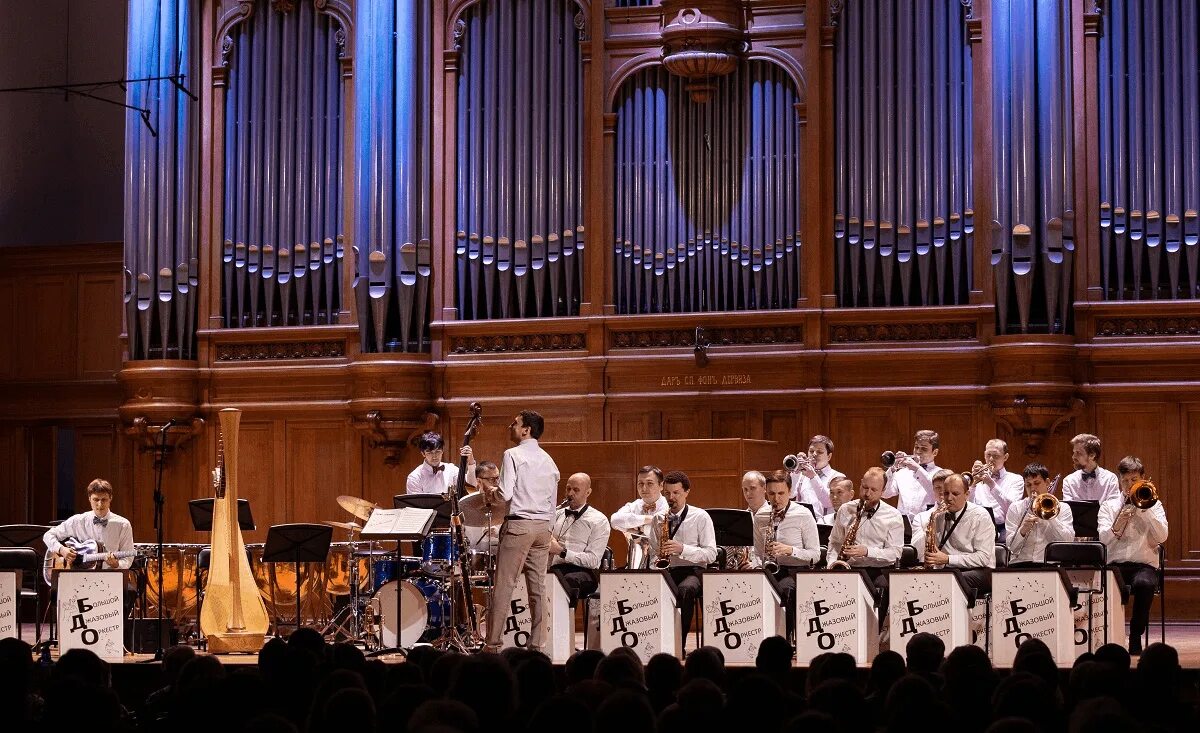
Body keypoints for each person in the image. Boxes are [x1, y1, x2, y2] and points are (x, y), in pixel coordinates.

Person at [483, 411, 559, 654]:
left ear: (526, 430)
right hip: (542, 528)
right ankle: (536, 646)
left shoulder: (512, 454)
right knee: (538, 587)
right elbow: (552, 504)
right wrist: (547, 529)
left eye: (514, 424)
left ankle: (493, 645)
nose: (511, 427)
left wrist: (489, 492)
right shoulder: (549, 460)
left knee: (504, 585)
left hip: (519, 525)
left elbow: (505, 494)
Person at [1098, 456, 1168, 655]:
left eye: (1134, 479)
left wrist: (1145, 511)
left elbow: (1162, 537)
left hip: (1143, 565)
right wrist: (1118, 522)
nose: (1129, 485)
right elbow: (1102, 541)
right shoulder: (1109, 506)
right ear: (1120, 481)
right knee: (1104, 586)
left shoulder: (1154, 505)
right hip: (1115, 566)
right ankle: (1108, 636)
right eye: (1125, 480)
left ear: (1143, 479)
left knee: (1145, 584)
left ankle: (1136, 634)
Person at [43, 478, 136, 613]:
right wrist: (62, 549)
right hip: (79, 576)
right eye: (95, 499)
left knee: (130, 593)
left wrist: (116, 565)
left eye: (104, 499)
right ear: (89, 499)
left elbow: (128, 558)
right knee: (61, 592)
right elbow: (48, 535)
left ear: (111, 498)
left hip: (109, 576)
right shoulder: (78, 521)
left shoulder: (123, 524)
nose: (99, 504)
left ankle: (118, 632)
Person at [646, 470, 717, 647]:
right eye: (668, 493)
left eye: (676, 493)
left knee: (685, 590)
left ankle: (679, 643)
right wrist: (656, 566)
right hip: (668, 570)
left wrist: (682, 549)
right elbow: (654, 552)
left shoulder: (700, 517)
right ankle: (655, 643)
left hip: (695, 570)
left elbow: (711, 554)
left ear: (686, 492)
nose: (671, 497)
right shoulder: (658, 518)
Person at [827, 467, 904, 614]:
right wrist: (832, 565)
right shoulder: (845, 509)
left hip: (877, 571)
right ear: (860, 483)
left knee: (885, 587)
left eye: (874, 490)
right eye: (865, 487)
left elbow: (895, 553)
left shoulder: (893, 515)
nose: (867, 494)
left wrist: (867, 551)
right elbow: (835, 542)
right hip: (849, 569)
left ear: (883, 490)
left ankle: (874, 630)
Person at [753, 470, 820, 636]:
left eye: (781, 493)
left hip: (797, 571)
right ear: (765, 493)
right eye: (772, 494)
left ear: (790, 492)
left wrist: (790, 550)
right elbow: (758, 551)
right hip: (770, 570)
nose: (776, 499)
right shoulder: (761, 515)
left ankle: (783, 640)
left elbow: (815, 554)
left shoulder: (803, 515)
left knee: (785, 590)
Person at [911, 473, 995, 595]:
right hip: (950, 570)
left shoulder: (981, 516)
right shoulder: (937, 515)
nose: (949, 498)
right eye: (946, 493)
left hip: (981, 571)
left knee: (947, 581)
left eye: (955, 494)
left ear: (967, 494)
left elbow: (982, 558)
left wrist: (947, 559)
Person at [548, 472, 610, 600]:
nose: (570, 493)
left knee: (566, 581)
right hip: (555, 569)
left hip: (584, 572)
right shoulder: (556, 515)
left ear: (588, 492)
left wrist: (562, 552)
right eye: (568, 488)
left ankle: (563, 619)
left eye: (576, 490)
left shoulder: (599, 520)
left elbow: (593, 561)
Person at [1005, 463, 1075, 566]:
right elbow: (1010, 547)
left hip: (1050, 564)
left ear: (1047, 482)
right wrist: (1022, 531)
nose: (1032, 488)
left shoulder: (1062, 508)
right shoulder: (1015, 508)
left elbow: (1067, 541)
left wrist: (1049, 516)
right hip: (1020, 564)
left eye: (1036, 483)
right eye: (1028, 485)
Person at [610, 466, 669, 568]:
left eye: (649, 483)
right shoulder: (634, 505)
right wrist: (648, 519)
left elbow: (660, 534)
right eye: (640, 484)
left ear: (661, 485)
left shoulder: (668, 506)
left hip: (662, 565)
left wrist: (635, 529)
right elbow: (614, 520)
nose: (644, 488)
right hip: (636, 564)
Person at [968, 439, 1026, 541]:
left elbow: (1013, 508)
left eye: (995, 456)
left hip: (1003, 529)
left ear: (1005, 457)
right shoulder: (978, 477)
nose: (990, 459)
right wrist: (973, 484)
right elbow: (968, 505)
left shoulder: (1016, 479)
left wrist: (991, 483)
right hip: (978, 528)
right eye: (988, 455)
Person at [882, 429, 942, 518]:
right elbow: (885, 493)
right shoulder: (902, 473)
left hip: (927, 525)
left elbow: (936, 493)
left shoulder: (940, 473)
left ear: (935, 452)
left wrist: (917, 469)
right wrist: (892, 469)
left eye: (924, 449)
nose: (918, 452)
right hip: (903, 526)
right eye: (916, 447)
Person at [406, 431, 476, 494]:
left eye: (437, 451)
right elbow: (416, 506)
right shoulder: (414, 477)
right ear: (423, 454)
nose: (434, 456)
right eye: (429, 453)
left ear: (442, 451)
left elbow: (472, 485)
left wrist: (471, 461)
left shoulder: (451, 470)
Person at [790, 435, 845, 514]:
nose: (814, 454)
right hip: (802, 522)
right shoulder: (801, 475)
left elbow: (828, 502)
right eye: (811, 451)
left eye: (819, 452)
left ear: (829, 456)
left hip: (824, 524)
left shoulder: (838, 477)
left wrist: (813, 477)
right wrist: (796, 471)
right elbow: (790, 494)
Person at [723, 471, 767, 569]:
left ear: (764, 488)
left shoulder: (774, 516)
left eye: (752, 488)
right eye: (745, 489)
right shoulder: (738, 519)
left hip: (767, 572)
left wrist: (757, 565)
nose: (748, 493)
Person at [1061, 433, 1120, 505]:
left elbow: (1113, 508)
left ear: (1092, 455)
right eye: (1074, 452)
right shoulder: (1069, 481)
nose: (1073, 457)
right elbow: (1068, 510)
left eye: (1078, 453)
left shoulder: (1110, 479)